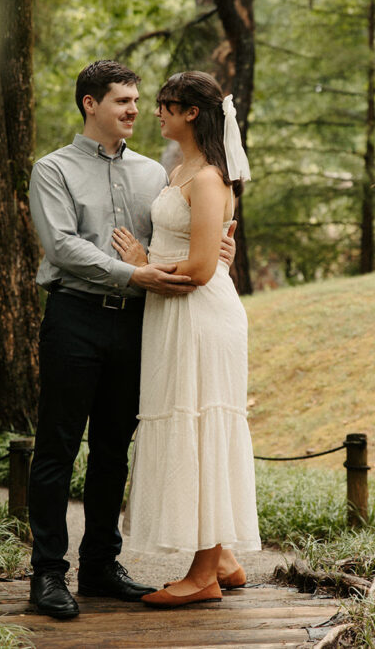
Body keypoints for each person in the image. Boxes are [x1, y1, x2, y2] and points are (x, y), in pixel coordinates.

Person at [26, 60, 235, 620]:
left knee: (114, 449)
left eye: (139, 101)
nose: (135, 111)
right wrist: (133, 275)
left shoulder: (155, 174)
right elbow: (62, 246)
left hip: (139, 324)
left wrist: (216, 252)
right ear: (90, 104)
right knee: (57, 448)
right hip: (75, 318)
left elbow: (181, 235)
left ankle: (99, 565)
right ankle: (47, 574)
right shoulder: (53, 170)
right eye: (122, 101)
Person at [112, 71, 260, 609]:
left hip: (199, 315)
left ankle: (203, 576)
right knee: (187, 423)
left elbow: (200, 269)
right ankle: (223, 558)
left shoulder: (208, 179)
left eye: (164, 105)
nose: (156, 113)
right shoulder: (180, 170)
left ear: (190, 113)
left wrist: (140, 262)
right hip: (173, 315)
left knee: (200, 426)